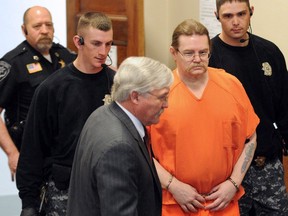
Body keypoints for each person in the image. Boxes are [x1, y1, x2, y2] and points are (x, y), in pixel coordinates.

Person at [149, 19, 260, 216]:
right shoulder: (158, 93)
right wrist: (173, 185)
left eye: (203, 52)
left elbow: (250, 138)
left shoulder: (231, 85)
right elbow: (141, 152)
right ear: (173, 53)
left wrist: (234, 183)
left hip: (223, 204)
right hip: (175, 204)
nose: (197, 59)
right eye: (189, 53)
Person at [16, 11, 115, 216]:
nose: (103, 51)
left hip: (108, 183)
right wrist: (28, 202)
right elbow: (33, 147)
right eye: (96, 44)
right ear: (78, 41)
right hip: (64, 189)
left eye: (108, 44)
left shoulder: (116, 84)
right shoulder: (53, 88)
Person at [67, 56, 173, 216]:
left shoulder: (101, 114)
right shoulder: (119, 147)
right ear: (135, 96)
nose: (166, 104)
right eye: (162, 97)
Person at [209, 0, 288, 215]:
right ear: (217, 15)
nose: (236, 22)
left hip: (268, 166)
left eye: (241, 14)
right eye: (227, 16)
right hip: (227, 171)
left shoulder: (269, 52)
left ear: (251, 12)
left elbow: (284, 107)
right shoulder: (208, 57)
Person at [0, 6, 76, 180]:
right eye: (37, 26)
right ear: (24, 30)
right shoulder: (13, 63)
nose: (44, 30)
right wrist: (12, 153)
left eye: (48, 25)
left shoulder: (64, 55)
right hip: (33, 157)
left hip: (66, 154)